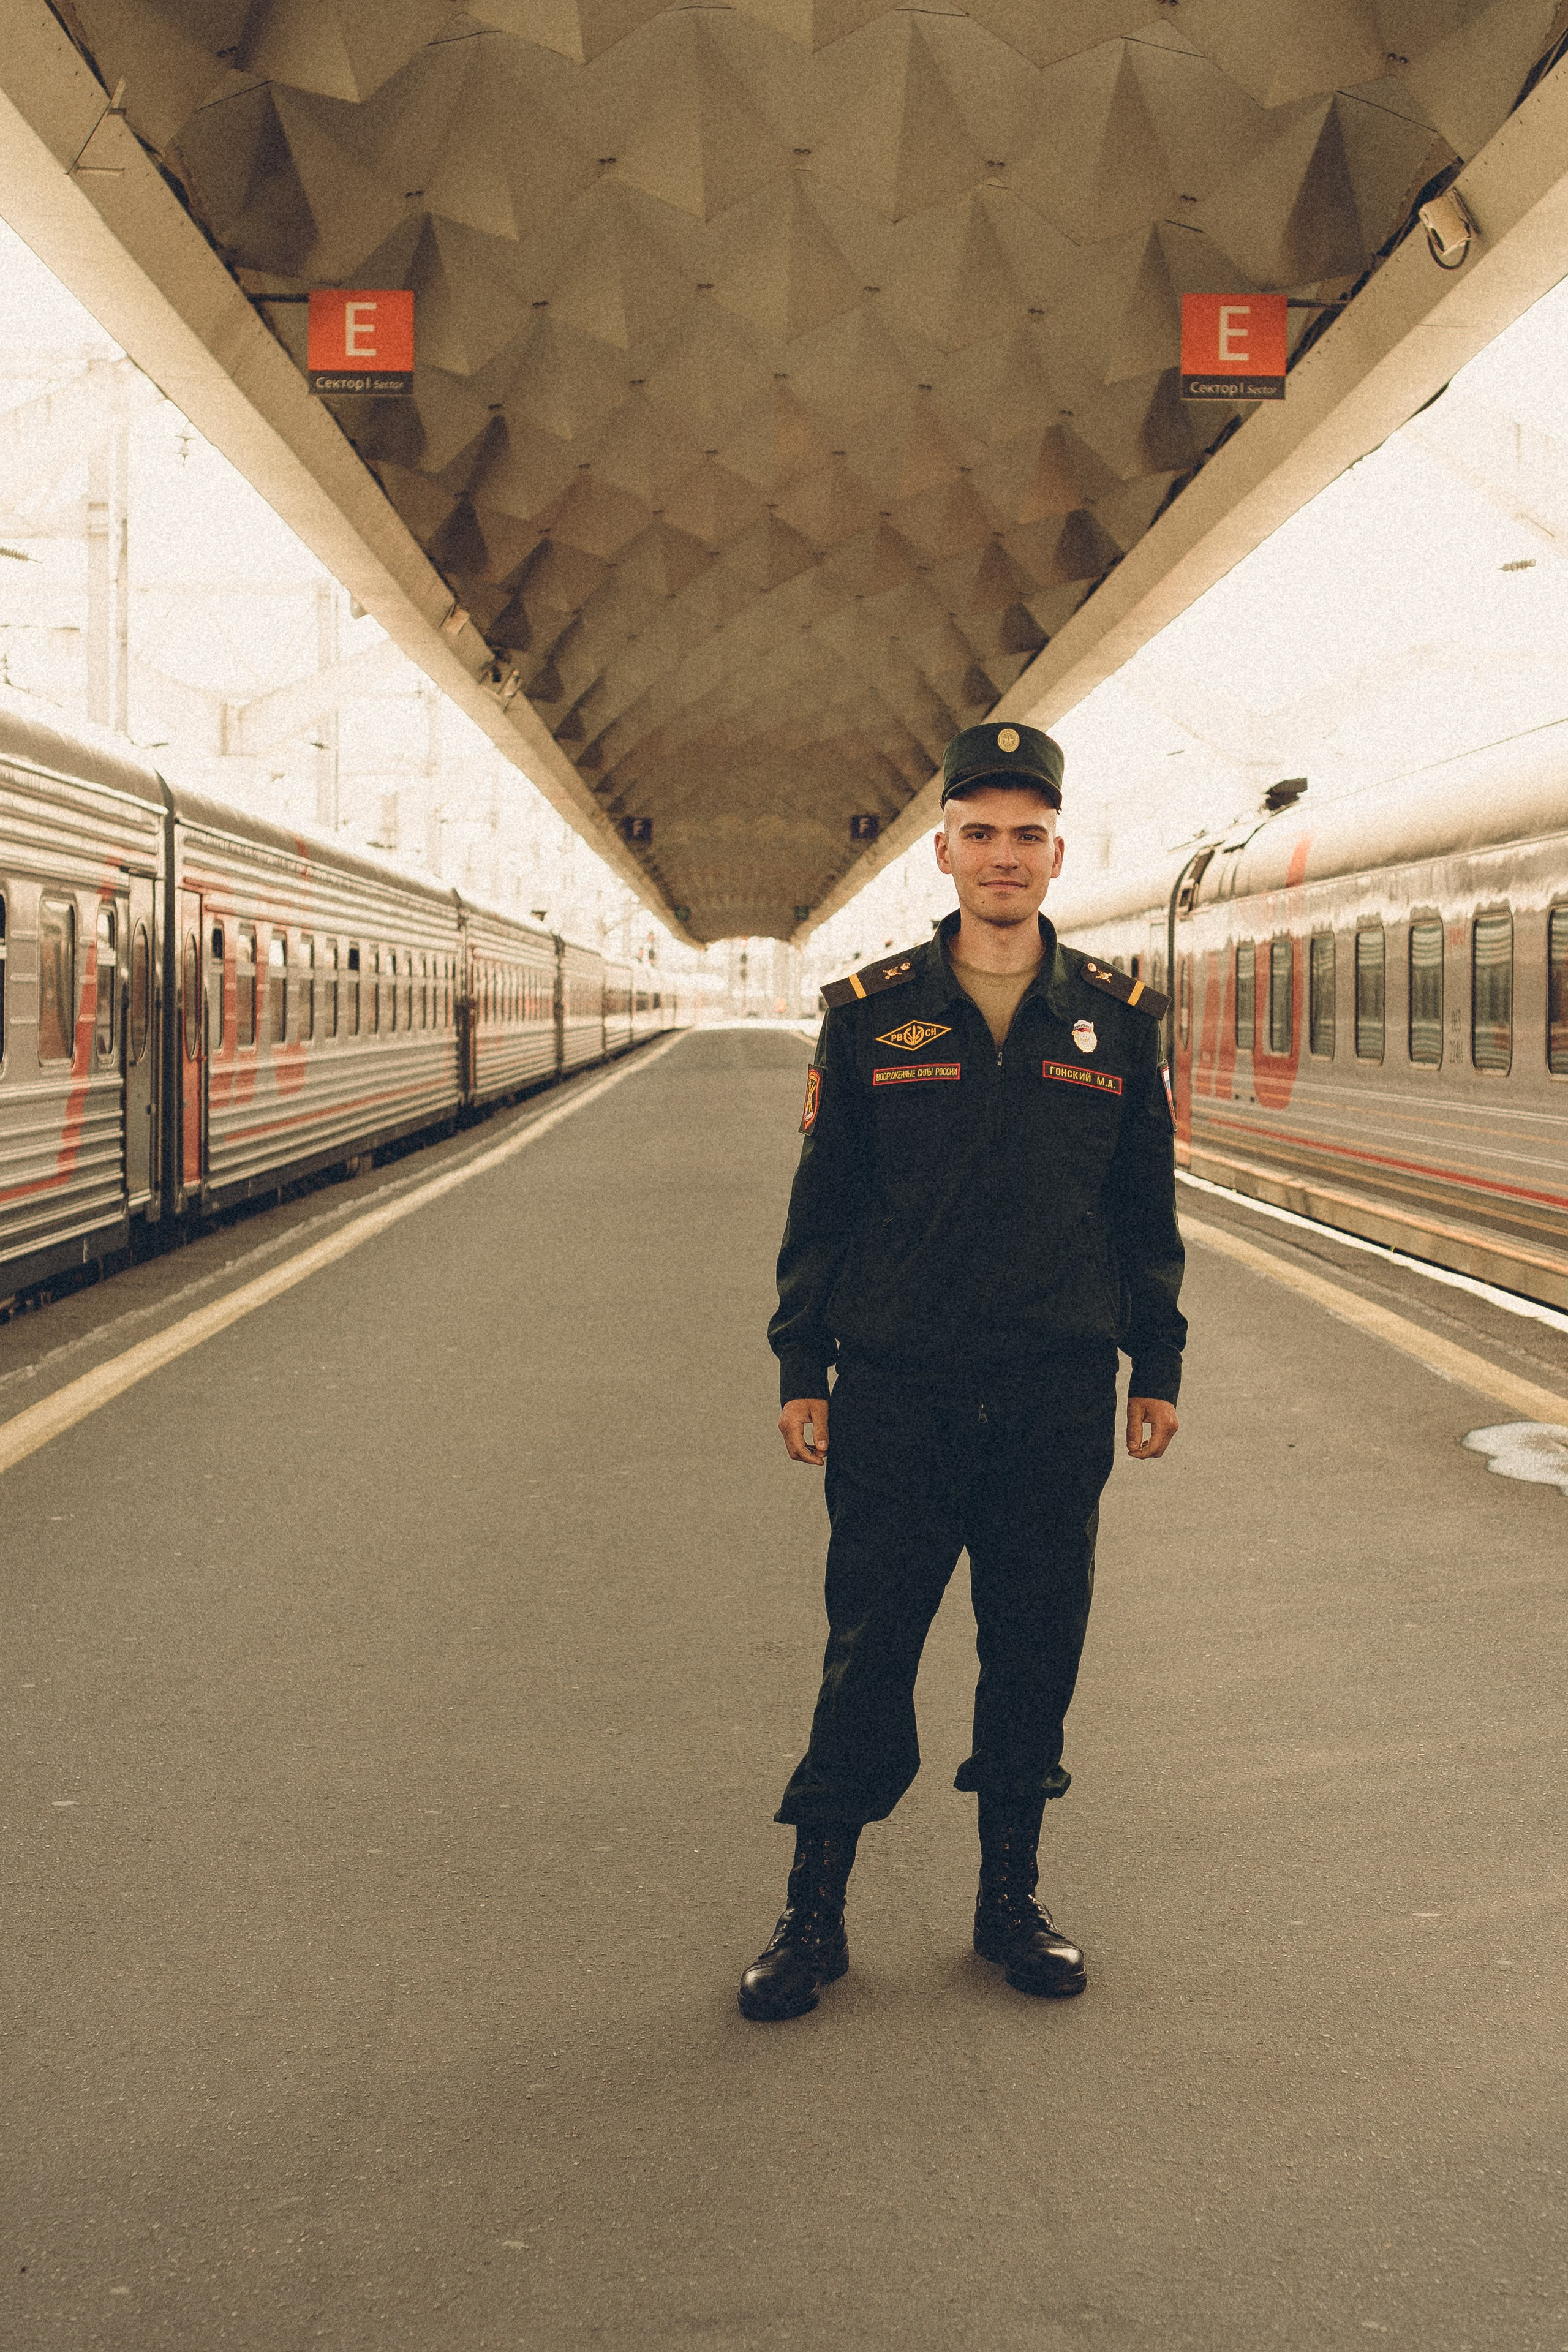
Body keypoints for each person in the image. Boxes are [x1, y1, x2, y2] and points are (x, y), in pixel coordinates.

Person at [739, 720, 1186, 2024]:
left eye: (1026, 834)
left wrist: (1152, 1361)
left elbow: (1140, 1211)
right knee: (868, 1648)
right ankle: (811, 1914)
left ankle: (1008, 1903)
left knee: (1033, 1646)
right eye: (979, 832)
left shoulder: (1113, 1020)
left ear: (1057, 852)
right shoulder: (870, 1017)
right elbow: (821, 1209)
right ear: (941, 850)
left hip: (1052, 1393)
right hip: (897, 1388)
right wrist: (799, 1364)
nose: (1003, 855)